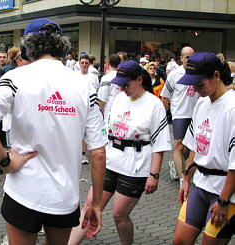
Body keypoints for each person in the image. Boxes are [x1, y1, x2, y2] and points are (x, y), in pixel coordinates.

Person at [0, 18, 106, 245]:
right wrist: (96, 203)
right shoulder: (84, 85)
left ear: (28, 46)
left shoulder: (16, 77)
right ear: (62, 45)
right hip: (64, 195)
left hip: (23, 190)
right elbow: (98, 152)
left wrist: (5, 162)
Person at [68, 60, 172, 245]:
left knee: (119, 215)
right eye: (120, 85)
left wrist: (154, 174)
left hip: (136, 164)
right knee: (89, 207)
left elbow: (160, 143)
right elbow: (106, 129)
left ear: (139, 80)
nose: (123, 89)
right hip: (112, 159)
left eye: (127, 84)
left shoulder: (154, 104)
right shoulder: (119, 99)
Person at [172, 52, 234, 245]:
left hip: (225, 192)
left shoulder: (232, 107)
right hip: (200, 184)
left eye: (200, 84)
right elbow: (195, 146)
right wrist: (186, 179)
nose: (196, 90)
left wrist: (223, 201)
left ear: (216, 75)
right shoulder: (201, 103)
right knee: (179, 241)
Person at [160, 46, 199, 185]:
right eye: (187, 57)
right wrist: (169, 113)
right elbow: (165, 96)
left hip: (196, 115)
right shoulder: (174, 74)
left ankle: (174, 164)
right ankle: (183, 178)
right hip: (180, 114)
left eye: (192, 56)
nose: (189, 59)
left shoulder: (199, 73)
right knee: (179, 146)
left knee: (189, 148)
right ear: (181, 58)